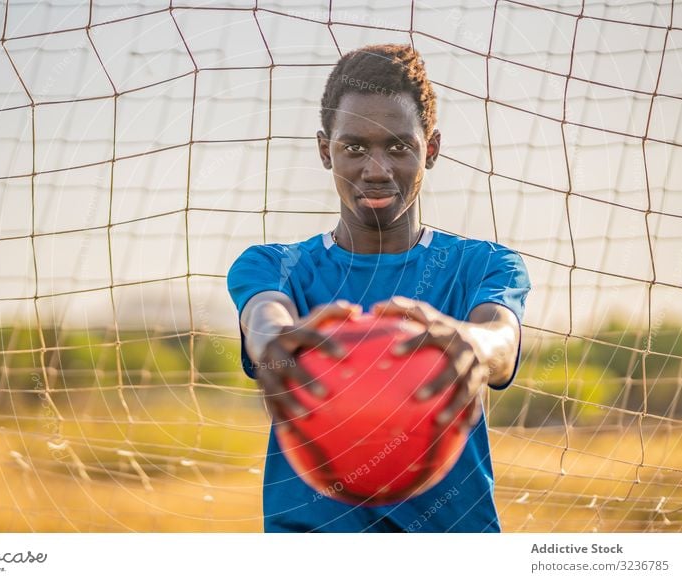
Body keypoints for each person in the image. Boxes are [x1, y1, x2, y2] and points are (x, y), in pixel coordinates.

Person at [227, 44, 530, 532]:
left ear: (429, 148)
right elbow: (265, 315)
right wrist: (273, 345)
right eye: (354, 148)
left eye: (398, 146)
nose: (376, 169)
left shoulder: (483, 265)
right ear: (325, 151)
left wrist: (472, 343)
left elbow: (501, 338)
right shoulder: (275, 265)